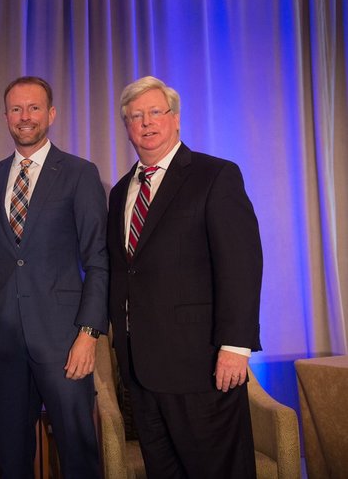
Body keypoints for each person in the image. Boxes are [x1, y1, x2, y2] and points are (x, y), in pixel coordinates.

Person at [108, 76, 262, 478]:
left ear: (175, 120)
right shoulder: (121, 191)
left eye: (155, 112)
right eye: (135, 116)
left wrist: (236, 346)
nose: (146, 122)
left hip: (202, 365)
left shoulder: (215, 175)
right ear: (126, 126)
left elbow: (241, 265)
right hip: (140, 369)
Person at [0, 76, 108, 478]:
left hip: (65, 340)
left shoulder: (79, 174)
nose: (24, 117)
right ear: (5, 116)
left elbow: (98, 258)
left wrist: (88, 334)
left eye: (33, 108)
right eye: (16, 109)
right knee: (11, 453)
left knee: (77, 450)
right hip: (6, 340)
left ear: (51, 114)